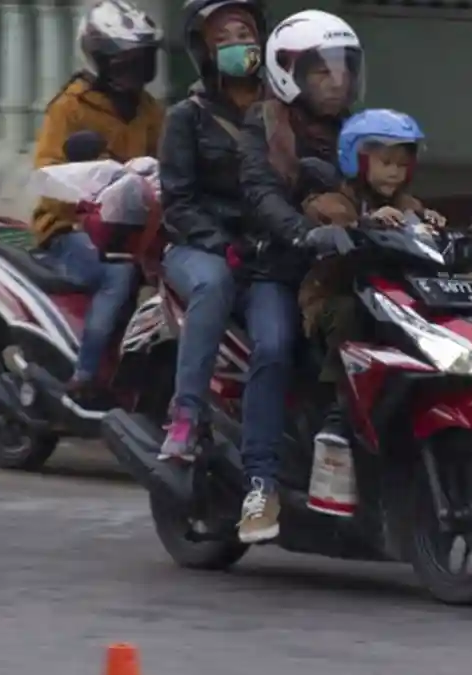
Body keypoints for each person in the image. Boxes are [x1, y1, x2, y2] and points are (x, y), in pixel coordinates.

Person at [231, 10, 365, 542]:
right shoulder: (262, 127)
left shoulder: (357, 129)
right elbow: (260, 193)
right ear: (290, 73)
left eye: (344, 68)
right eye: (321, 71)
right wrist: (301, 232)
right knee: (275, 347)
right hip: (277, 269)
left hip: (340, 271)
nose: (337, 81)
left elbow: (384, 183)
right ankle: (259, 484)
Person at [297, 109, 445, 485]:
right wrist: (367, 222)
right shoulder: (336, 200)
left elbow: (420, 220)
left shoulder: (407, 204)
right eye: (385, 163)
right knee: (350, 314)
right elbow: (329, 217)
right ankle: (338, 412)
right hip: (332, 298)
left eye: (402, 164)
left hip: (388, 302)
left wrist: (434, 223)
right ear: (357, 159)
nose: (394, 172)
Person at [31, 0, 165, 404]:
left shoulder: (150, 111)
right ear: (101, 61)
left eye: (141, 61)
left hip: (137, 228)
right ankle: (88, 374)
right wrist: (97, 183)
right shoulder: (70, 106)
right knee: (119, 275)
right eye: (125, 62)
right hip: (69, 229)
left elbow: (166, 162)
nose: (134, 71)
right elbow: (47, 170)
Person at [157, 0, 268, 463]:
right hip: (198, 246)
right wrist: (221, 244)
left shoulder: (281, 108)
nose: (238, 44)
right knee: (214, 282)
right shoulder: (187, 116)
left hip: (268, 244)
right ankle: (186, 413)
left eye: (245, 32)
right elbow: (177, 202)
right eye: (223, 38)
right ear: (203, 51)